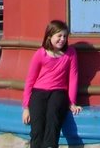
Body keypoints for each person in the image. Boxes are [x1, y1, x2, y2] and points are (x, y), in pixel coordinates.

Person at [22, 20, 82, 148]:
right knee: (37, 125)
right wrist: (26, 108)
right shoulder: (40, 54)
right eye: (59, 36)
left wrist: (72, 102)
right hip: (39, 92)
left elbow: (73, 78)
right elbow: (30, 80)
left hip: (58, 92)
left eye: (65, 36)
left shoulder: (70, 53)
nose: (62, 39)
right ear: (49, 37)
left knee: (53, 118)